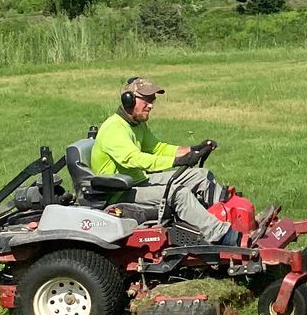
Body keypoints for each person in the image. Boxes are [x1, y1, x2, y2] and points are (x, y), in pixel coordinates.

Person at [90, 76, 236, 244]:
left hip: (138, 181)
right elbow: (134, 159)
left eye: (152, 100)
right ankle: (222, 236)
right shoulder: (114, 128)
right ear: (128, 100)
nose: (151, 105)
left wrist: (193, 149)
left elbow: (157, 148)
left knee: (200, 175)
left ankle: (231, 218)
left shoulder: (136, 125)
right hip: (120, 193)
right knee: (178, 193)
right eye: (146, 100)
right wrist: (177, 161)